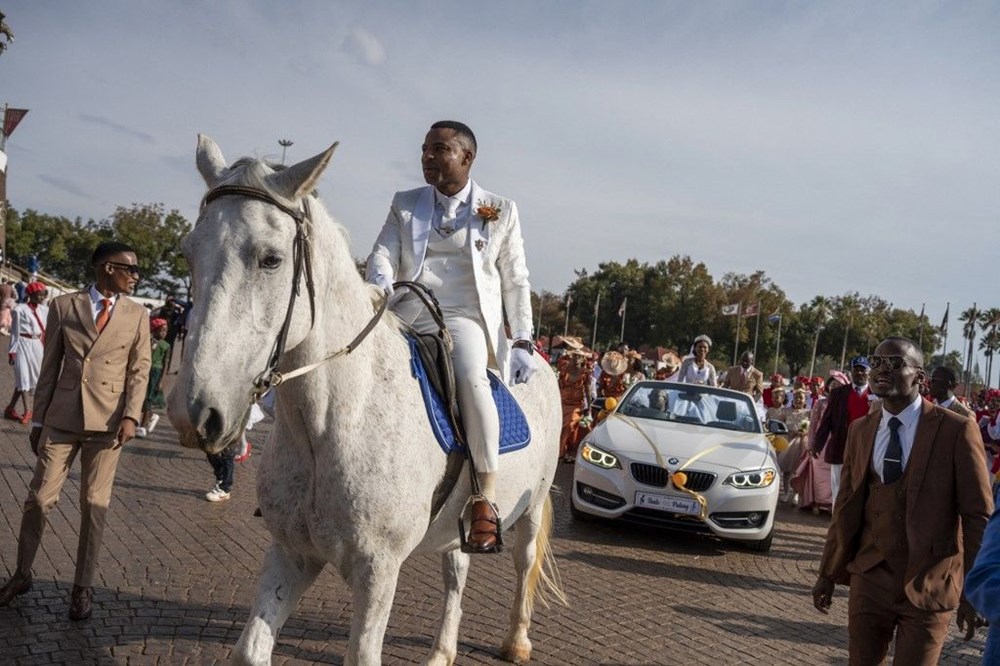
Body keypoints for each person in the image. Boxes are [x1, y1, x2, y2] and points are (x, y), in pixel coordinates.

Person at [365, 120, 535, 554]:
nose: (427, 156)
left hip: (463, 317)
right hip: (406, 308)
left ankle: (485, 496)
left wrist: (523, 338)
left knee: (473, 380)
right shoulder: (405, 203)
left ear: (466, 157)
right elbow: (382, 252)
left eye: (439, 149)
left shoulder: (501, 209)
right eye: (425, 148)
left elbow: (515, 279)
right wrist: (380, 284)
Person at [812, 337, 992, 663]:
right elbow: (846, 506)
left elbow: (977, 515)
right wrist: (827, 572)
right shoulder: (860, 430)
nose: (882, 369)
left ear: (920, 377)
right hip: (870, 575)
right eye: (877, 362)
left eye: (895, 363)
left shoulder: (956, 430)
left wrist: (973, 591)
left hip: (929, 581)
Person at [0, 241, 151, 620]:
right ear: (107, 268)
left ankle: (82, 587)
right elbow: (49, 367)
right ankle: (22, 573)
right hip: (61, 419)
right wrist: (38, 420)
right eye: (130, 269)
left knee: (93, 505)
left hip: (109, 424)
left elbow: (140, 369)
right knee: (39, 498)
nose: (136, 276)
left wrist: (132, 416)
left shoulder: (137, 315)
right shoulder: (65, 306)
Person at [813, 355, 874, 505]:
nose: (859, 373)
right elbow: (826, 421)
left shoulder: (877, 394)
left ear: (869, 372)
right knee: (839, 488)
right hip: (841, 447)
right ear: (851, 372)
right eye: (856, 369)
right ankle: (837, 517)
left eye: (863, 370)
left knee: (863, 489)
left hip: (867, 449)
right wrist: (817, 444)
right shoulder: (838, 393)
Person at [793, 371, 849, 514]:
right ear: (828, 386)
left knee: (834, 475)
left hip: (837, 444)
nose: (835, 386)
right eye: (833, 384)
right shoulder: (821, 403)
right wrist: (811, 444)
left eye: (839, 385)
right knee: (818, 475)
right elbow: (813, 425)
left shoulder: (846, 403)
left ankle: (831, 504)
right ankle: (817, 502)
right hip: (821, 444)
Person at [5, 281, 49, 424]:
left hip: (37, 345)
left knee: (31, 379)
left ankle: (10, 408)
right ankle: (28, 411)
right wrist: (12, 351)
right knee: (23, 376)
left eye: (43, 294)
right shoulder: (19, 310)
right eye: (39, 294)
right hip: (23, 344)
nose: (42, 297)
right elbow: (15, 332)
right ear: (31, 294)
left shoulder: (44, 310)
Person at [135, 318, 170, 438]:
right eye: (161, 331)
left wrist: (161, 381)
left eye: (165, 331)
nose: (164, 333)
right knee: (140, 396)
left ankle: (143, 426)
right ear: (154, 331)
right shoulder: (148, 342)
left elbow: (165, 364)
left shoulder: (166, 346)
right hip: (145, 370)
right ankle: (150, 416)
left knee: (148, 398)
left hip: (155, 373)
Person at [558, 348, 592, 463]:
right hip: (562, 403)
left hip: (576, 406)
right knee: (559, 426)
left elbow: (588, 391)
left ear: (583, 359)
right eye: (575, 356)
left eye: (579, 356)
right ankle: (563, 451)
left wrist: (589, 408)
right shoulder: (564, 369)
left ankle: (561, 453)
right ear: (571, 357)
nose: (577, 358)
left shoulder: (585, 373)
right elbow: (558, 386)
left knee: (568, 425)